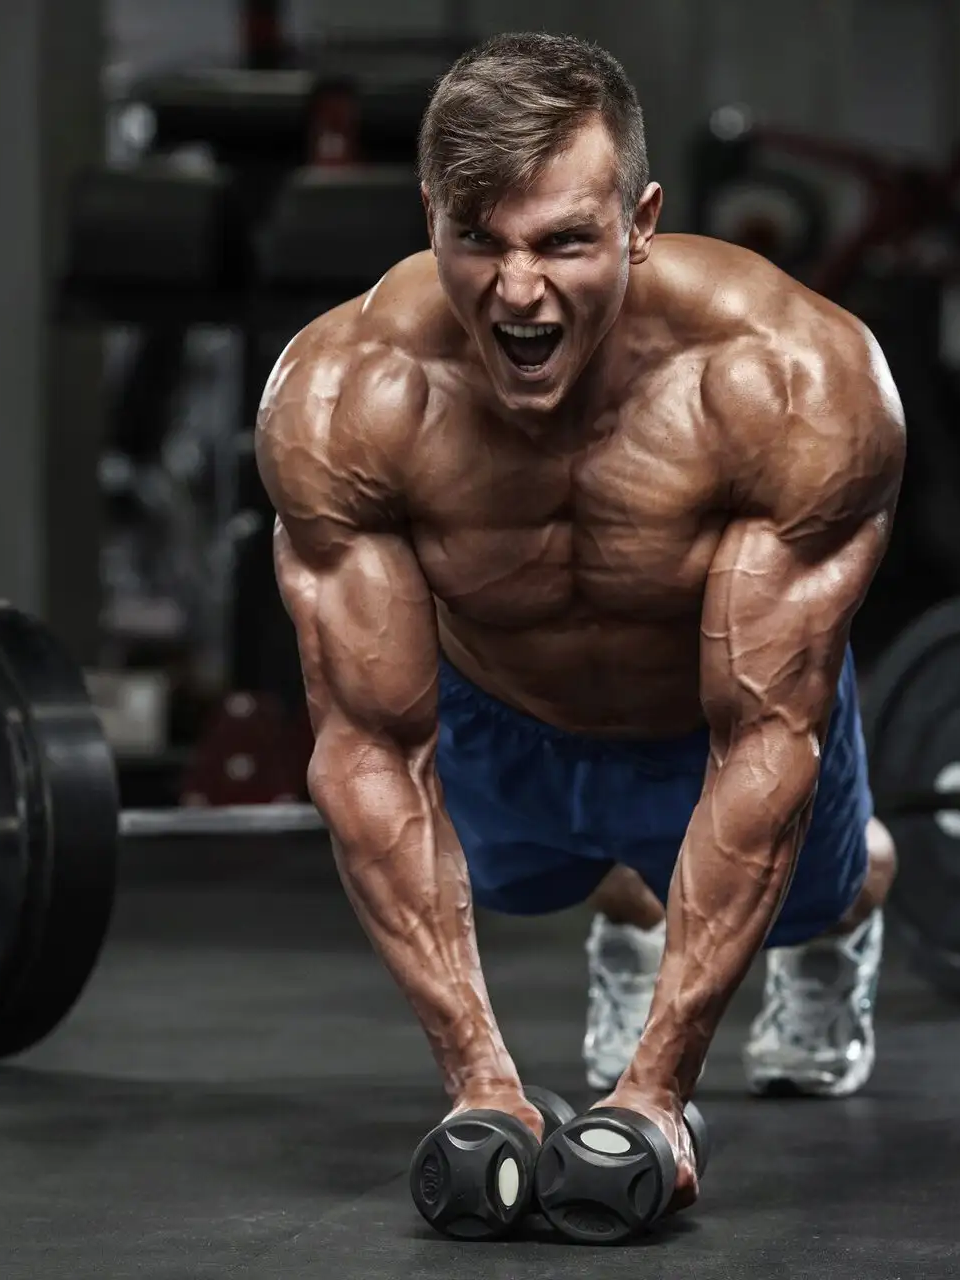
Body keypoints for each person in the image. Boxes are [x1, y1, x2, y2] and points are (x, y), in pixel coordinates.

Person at [256, 32, 905, 1209]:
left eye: (564, 240)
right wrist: (481, 1085)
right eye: (479, 242)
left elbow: (763, 743)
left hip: (715, 710)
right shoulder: (346, 396)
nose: (518, 289)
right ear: (429, 219)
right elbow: (366, 751)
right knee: (574, 875)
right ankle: (631, 901)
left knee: (825, 885)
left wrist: (655, 1093)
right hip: (498, 716)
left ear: (641, 220)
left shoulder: (791, 381)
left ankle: (842, 921)